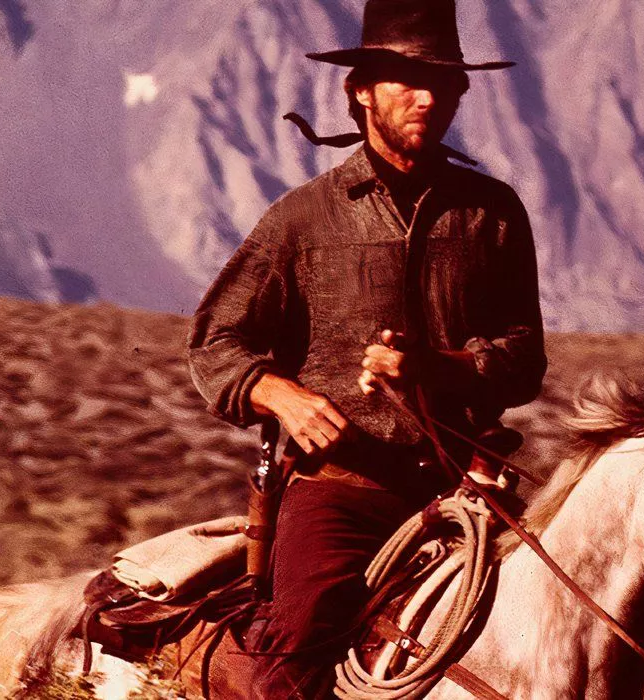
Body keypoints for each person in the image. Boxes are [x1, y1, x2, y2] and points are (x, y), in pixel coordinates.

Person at [185, 0, 546, 696]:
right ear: (360, 91)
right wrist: (281, 395)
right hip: (343, 491)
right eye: (406, 81)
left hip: (465, 491)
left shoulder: (492, 212)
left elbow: (524, 358)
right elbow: (215, 340)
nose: (427, 98)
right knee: (293, 655)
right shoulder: (304, 217)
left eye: (443, 83)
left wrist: (436, 368)